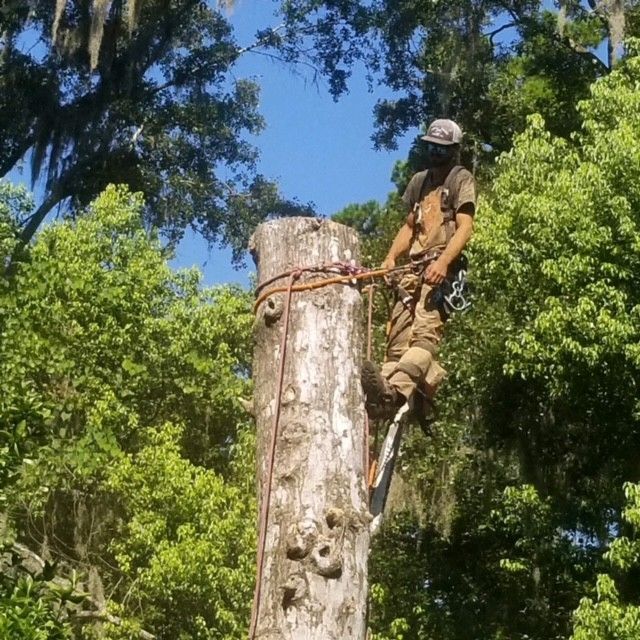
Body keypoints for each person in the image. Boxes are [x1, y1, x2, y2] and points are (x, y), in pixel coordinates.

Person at [362, 118, 477, 420]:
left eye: (442, 148)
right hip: (414, 267)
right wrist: (390, 258)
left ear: (453, 150)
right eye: (432, 147)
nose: (435, 153)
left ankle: (399, 389)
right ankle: (385, 393)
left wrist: (443, 263)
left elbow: (465, 228)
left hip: (440, 266)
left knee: (424, 334)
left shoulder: (459, 179)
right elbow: (409, 226)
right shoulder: (419, 182)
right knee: (398, 335)